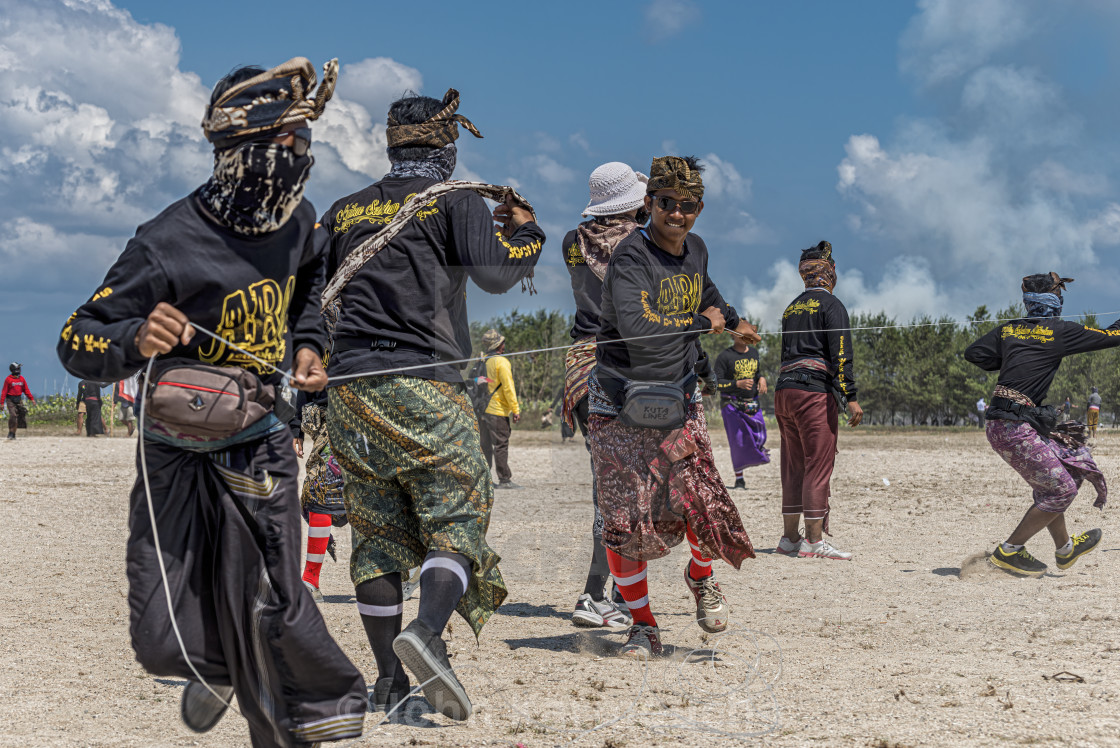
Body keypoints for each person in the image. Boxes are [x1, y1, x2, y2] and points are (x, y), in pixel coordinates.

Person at [56, 58, 368, 745]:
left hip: (259, 444)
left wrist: (309, 347)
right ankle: (220, 668)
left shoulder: (299, 221)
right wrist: (137, 337)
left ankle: (311, 716)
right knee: (165, 639)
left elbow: (310, 288)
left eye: (303, 144)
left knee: (271, 607)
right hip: (174, 455)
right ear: (242, 150)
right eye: (285, 144)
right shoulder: (164, 242)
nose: (299, 158)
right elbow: (77, 339)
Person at [321, 88, 545, 720]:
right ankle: (426, 633)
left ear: (392, 145)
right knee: (460, 509)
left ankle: (389, 681)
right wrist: (529, 230)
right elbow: (499, 273)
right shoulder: (456, 201)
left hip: (348, 392)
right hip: (424, 384)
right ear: (448, 148)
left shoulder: (341, 212)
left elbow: (304, 298)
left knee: (377, 532)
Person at [588, 155, 759, 658]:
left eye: (687, 206)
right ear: (648, 203)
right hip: (620, 401)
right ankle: (642, 625)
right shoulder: (629, 258)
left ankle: (701, 575)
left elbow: (708, 295)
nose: (676, 214)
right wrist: (705, 326)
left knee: (703, 501)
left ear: (699, 209)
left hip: (680, 397)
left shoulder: (696, 250)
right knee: (624, 519)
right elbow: (641, 335)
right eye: (666, 203)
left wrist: (734, 319)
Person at [964, 273, 1110, 577]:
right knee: (1062, 491)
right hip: (1014, 427)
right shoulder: (1060, 331)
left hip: (1004, 425)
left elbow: (974, 353)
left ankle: (1065, 550)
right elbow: (1113, 336)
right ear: (1055, 302)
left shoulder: (1010, 329)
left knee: (1054, 483)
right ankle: (1010, 551)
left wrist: (1013, 354)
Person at [561, 161, 648, 630]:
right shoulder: (638, 245)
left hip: (579, 367)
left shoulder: (570, 242)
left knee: (610, 484)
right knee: (625, 489)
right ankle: (600, 594)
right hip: (621, 369)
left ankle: (611, 591)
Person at [774, 241, 863, 561]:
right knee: (817, 465)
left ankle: (788, 538)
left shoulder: (791, 307)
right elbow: (841, 354)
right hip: (812, 393)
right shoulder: (832, 305)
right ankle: (812, 542)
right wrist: (850, 397)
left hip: (783, 391)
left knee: (793, 465)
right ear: (830, 271)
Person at [715, 338, 770, 490]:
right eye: (741, 333)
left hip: (752, 403)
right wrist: (736, 384)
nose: (746, 336)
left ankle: (756, 455)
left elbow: (757, 373)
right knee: (737, 442)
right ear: (733, 336)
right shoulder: (724, 356)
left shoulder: (754, 352)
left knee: (760, 435)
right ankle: (739, 479)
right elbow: (716, 382)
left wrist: (762, 378)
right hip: (731, 405)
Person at [478, 329, 521, 488]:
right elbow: (508, 388)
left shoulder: (485, 361)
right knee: (501, 445)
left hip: (482, 410)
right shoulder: (501, 362)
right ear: (498, 345)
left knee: (485, 446)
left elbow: (480, 382)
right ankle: (504, 480)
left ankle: (485, 480)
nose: (504, 344)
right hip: (497, 411)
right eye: (502, 342)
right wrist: (515, 409)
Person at [1, 363, 33, 440]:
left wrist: (31, 398)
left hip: (18, 399)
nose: (19, 370)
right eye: (18, 368)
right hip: (10, 400)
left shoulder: (22, 379)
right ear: (14, 370)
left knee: (20, 416)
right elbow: (4, 391)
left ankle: (13, 433)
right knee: (13, 416)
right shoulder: (8, 379)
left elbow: (26, 390)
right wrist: (1, 403)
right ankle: (11, 432)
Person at [114, 373, 139, 437]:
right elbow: (116, 394)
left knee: (129, 420)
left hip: (130, 403)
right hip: (123, 403)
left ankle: (128, 434)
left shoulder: (129, 382)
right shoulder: (117, 383)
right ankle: (131, 428)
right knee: (121, 418)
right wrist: (115, 402)